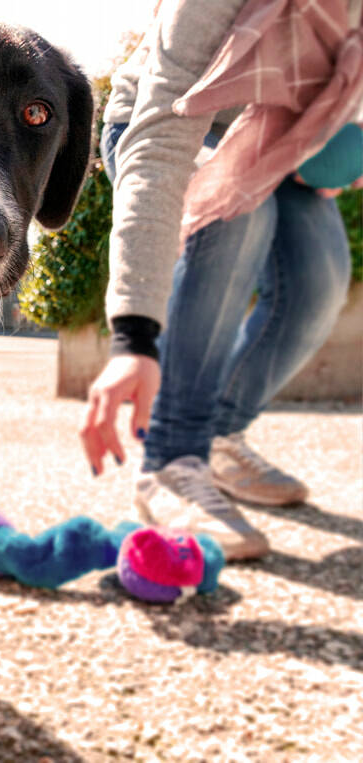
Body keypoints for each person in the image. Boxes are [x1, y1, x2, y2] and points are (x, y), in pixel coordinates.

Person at [80, 0, 363, 560]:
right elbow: (157, 140)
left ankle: (220, 437)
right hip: (158, 124)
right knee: (234, 210)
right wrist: (133, 334)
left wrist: (336, 139)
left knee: (321, 278)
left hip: (278, 140)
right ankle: (170, 458)